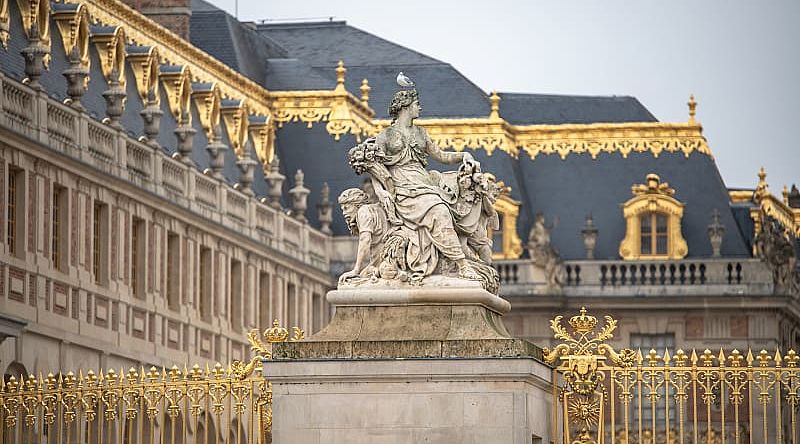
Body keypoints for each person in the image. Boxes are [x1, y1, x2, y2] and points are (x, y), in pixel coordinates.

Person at [369, 88, 480, 281]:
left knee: (445, 204)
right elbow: (374, 168)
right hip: (402, 187)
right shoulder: (385, 136)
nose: (419, 107)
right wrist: (381, 192)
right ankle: (462, 264)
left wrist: (464, 155)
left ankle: (459, 260)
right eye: (416, 104)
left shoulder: (421, 133)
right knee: (440, 211)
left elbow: (442, 156)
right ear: (405, 107)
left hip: (423, 182)